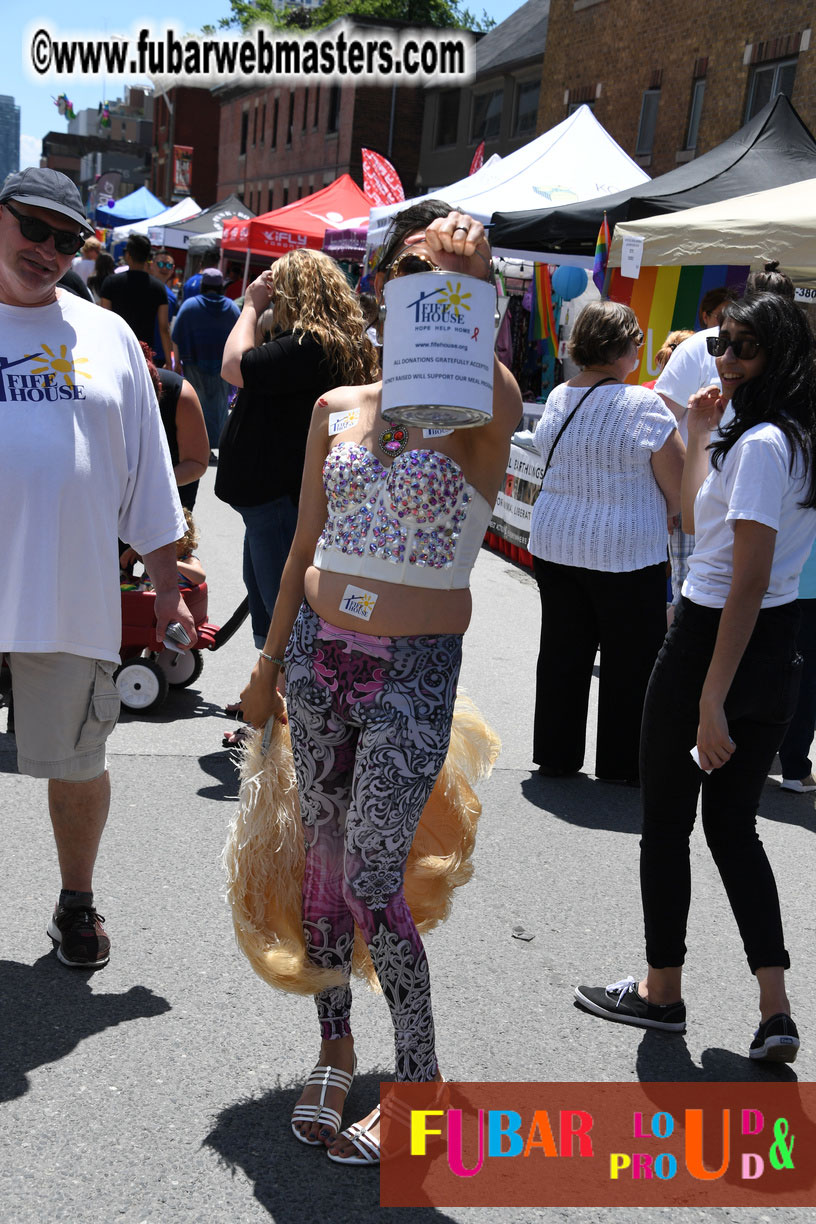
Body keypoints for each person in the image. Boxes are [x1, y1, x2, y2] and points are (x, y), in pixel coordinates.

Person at [236, 201, 522, 1165]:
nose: (427, 279)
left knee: (369, 876)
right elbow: (299, 550)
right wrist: (267, 664)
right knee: (320, 867)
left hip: (413, 670)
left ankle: (421, 1082)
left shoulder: (479, 412)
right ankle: (335, 1045)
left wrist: (466, 281)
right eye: (411, 265)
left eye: (446, 271)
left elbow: (493, 395)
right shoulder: (334, 409)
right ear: (381, 286)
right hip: (317, 659)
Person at [575, 292, 816, 1064]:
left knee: (669, 824)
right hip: (765, 645)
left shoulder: (765, 446)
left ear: (780, 357)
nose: (726, 359)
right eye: (722, 343)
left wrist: (711, 696)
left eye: (745, 347)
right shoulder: (776, 437)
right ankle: (774, 1009)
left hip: (716, 642)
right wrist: (702, 431)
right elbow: (688, 518)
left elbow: (745, 579)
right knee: (732, 828)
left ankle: (662, 993)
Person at [0, 167, 195, 969]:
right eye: (32, 227)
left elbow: (149, 474)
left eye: (65, 238)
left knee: (80, 762)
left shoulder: (108, 336)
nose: (46, 249)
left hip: (68, 595)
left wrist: (169, 590)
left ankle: (75, 903)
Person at [529, 301, 684, 783]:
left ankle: (556, 754)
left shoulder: (560, 396)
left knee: (563, 651)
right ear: (621, 347)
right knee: (631, 660)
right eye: (637, 339)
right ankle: (622, 764)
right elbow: (679, 491)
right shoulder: (644, 405)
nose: (640, 347)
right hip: (625, 549)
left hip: (556, 541)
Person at [217, 249, 379, 654]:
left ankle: (286, 684)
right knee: (265, 599)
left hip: (277, 497)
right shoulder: (323, 343)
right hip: (273, 497)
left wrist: (251, 306)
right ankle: (269, 680)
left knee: (282, 607)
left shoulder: (308, 344)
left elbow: (234, 365)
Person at [172, 267, 240, 449]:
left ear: (202, 286)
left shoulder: (190, 305)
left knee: (197, 406)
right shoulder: (232, 308)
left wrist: (176, 363)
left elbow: (176, 335)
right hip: (222, 367)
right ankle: (214, 445)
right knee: (219, 408)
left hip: (193, 363)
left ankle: (197, 447)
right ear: (221, 287)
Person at [101, 232, 172, 367]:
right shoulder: (158, 287)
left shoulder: (111, 282)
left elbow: (105, 319)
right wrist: (169, 361)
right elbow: (164, 327)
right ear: (148, 258)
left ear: (128, 255)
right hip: (144, 353)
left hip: (117, 348)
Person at [149, 247, 179, 363]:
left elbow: (166, 327)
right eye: (161, 264)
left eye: (169, 265)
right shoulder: (143, 288)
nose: (165, 268)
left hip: (159, 355)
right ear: (152, 265)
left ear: (173, 269)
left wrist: (168, 359)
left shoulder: (171, 297)